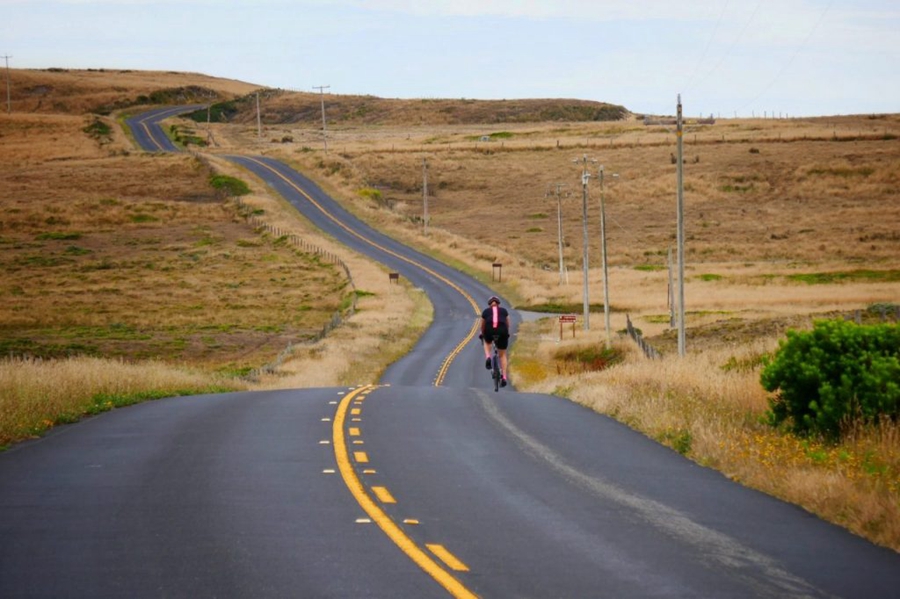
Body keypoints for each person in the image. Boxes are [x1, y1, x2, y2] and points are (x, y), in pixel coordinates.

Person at [481, 295, 511, 387]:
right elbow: (508, 324)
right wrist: (506, 333)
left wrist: (482, 334)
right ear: (499, 304)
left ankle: (488, 357)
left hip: (489, 330)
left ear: (489, 305)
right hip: (502, 331)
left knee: (487, 342)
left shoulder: (486, 312)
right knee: (502, 355)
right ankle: (504, 377)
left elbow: (482, 326)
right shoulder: (504, 311)